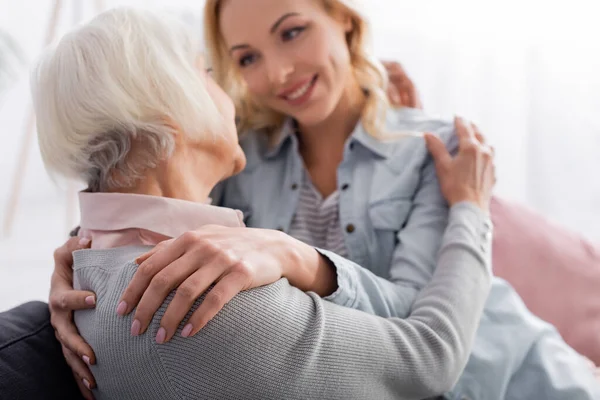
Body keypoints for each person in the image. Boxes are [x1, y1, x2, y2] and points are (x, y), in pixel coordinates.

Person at [49, 0, 600, 399]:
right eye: (246, 59)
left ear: (344, 19)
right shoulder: (244, 160)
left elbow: (424, 326)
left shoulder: (433, 148)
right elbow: (146, 174)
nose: (278, 73)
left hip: (512, 378)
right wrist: (81, 257)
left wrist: (303, 260)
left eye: (291, 33)